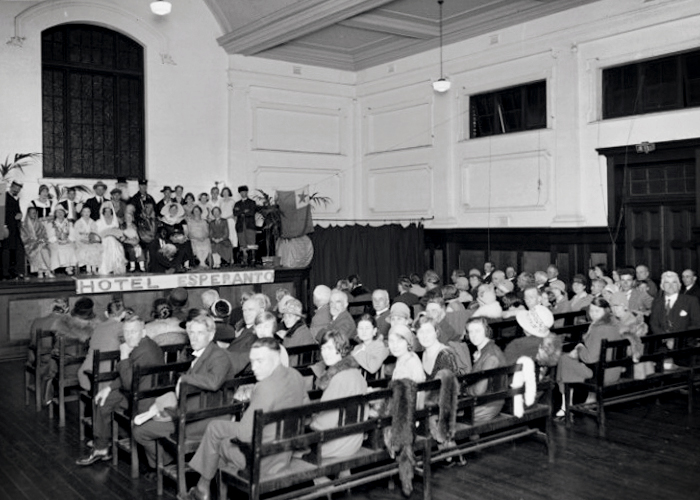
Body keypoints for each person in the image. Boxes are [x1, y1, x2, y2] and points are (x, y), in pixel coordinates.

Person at [185, 338, 308, 500]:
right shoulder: (296, 375)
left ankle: (203, 488)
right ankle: (204, 487)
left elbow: (244, 435)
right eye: (252, 361)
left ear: (277, 358)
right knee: (219, 439)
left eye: (260, 361)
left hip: (262, 460)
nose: (254, 367)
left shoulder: (265, 387)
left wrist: (227, 426)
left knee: (215, 431)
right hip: (284, 452)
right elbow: (306, 413)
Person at [133, 313, 236, 473]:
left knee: (140, 431)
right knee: (145, 420)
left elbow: (214, 382)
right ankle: (167, 462)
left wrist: (185, 378)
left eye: (200, 333)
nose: (194, 338)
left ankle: (164, 464)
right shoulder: (203, 353)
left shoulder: (219, 356)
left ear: (211, 334)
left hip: (205, 418)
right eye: (191, 333)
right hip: (194, 411)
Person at [77, 313, 164, 466]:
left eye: (134, 331)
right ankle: (103, 443)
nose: (129, 336)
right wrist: (109, 388)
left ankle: (102, 446)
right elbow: (129, 376)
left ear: (143, 332)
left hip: (143, 400)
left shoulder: (144, 351)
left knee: (104, 403)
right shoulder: (143, 344)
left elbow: (129, 382)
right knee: (103, 397)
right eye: (126, 332)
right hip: (141, 391)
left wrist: (123, 356)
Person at [557, 297, 623, 415]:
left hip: (600, 375)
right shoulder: (615, 325)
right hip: (614, 371)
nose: (593, 314)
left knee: (564, 359)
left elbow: (589, 358)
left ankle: (565, 405)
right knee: (569, 360)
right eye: (591, 311)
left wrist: (579, 347)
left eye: (597, 311)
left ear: (606, 311)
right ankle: (587, 399)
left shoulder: (598, 329)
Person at [311, 330, 368, 458]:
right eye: (323, 348)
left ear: (341, 349)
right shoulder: (356, 373)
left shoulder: (338, 379)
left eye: (330, 348)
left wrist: (310, 422)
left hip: (336, 443)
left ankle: (320, 479)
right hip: (355, 439)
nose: (325, 353)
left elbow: (324, 423)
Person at [78, 300, 127, 391]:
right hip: (109, 377)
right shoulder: (123, 327)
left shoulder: (97, 327)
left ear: (106, 314)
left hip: (87, 374)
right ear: (123, 314)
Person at [465, 317, 508, 423]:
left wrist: (463, 390)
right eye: (470, 331)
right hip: (489, 401)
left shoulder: (490, 355)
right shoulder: (487, 350)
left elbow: (479, 390)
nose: (473, 335)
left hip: (486, 406)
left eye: (477, 331)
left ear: (486, 331)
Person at [609, 292, 653, 380]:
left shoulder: (633, 322)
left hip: (628, 359)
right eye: (612, 306)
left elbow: (634, 344)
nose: (614, 309)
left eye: (617, 306)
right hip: (616, 355)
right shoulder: (613, 319)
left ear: (624, 306)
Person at [649, 270, 700, 336]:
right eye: (667, 282)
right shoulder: (657, 302)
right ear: (662, 286)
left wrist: (676, 339)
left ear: (679, 285)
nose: (671, 285)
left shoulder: (691, 300)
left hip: (685, 342)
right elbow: (654, 324)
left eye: (674, 282)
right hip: (662, 341)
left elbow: (697, 324)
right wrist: (665, 338)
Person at [227, 294, 266, 375]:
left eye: (251, 310)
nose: (246, 314)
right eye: (244, 310)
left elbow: (239, 359)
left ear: (261, 311)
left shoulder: (257, 333)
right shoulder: (247, 329)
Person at [2, 179, 25, 280]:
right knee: (6, 250)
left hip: (15, 228)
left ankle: (17, 272)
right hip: (6, 228)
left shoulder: (16, 199)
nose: (17, 190)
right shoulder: (3, 197)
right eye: (15, 188)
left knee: (18, 249)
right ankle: (5, 273)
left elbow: (17, 212)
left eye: (18, 189)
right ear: (11, 186)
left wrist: (20, 215)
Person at [20, 206, 52, 278]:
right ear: (28, 214)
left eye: (35, 213)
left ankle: (46, 270)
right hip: (30, 246)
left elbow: (44, 235)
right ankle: (41, 270)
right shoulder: (23, 225)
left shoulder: (40, 224)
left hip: (40, 243)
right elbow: (24, 238)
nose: (34, 214)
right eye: (32, 213)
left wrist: (42, 240)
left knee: (44, 249)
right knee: (39, 250)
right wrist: (34, 241)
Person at [96, 203, 126, 275]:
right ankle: (107, 268)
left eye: (109, 211)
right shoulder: (98, 222)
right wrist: (108, 233)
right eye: (106, 211)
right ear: (103, 213)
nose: (107, 213)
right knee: (109, 240)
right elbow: (98, 235)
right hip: (102, 241)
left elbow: (118, 233)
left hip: (115, 241)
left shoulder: (115, 222)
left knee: (112, 240)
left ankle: (114, 267)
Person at [47, 206, 76, 275]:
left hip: (67, 241)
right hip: (55, 242)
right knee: (59, 249)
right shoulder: (51, 224)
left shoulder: (69, 223)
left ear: (64, 213)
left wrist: (68, 240)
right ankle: (60, 267)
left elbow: (73, 234)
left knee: (70, 248)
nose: (60, 214)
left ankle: (68, 267)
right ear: (55, 214)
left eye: (62, 212)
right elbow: (49, 237)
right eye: (58, 212)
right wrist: (57, 239)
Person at [233, 185, 257, 266]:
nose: (243, 193)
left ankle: (253, 259)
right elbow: (235, 213)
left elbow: (251, 212)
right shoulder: (237, 203)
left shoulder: (252, 202)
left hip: (250, 225)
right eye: (241, 192)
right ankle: (244, 259)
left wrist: (241, 212)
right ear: (239, 193)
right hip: (240, 226)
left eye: (245, 192)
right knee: (242, 243)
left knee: (251, 243)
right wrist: (244, 211)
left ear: (247, 192)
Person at [73, 206, 102, 275]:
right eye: (84, 211)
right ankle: (88, 269)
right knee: (87, 249)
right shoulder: (78, 222)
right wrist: (83, 240)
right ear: (81, 213)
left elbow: (96, 233)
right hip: (81, 242)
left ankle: (94, 268)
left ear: (90, 213)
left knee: (96, 248)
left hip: (91, 241)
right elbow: (76, 235)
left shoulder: (93, 222)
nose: (86, 213)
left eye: (88, 211)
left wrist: (93, 240)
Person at [218, 186, 238, 251]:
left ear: (229, 193)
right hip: (222, 221)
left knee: (231, 235)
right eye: (224, 192)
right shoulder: (220, 201)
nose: (225, 193)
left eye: (226, 192)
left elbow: (235, 213)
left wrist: (232, 218)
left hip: (230, 220)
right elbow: (219, 211)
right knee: (223, 235)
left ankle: (232, 250)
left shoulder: (232, 201)